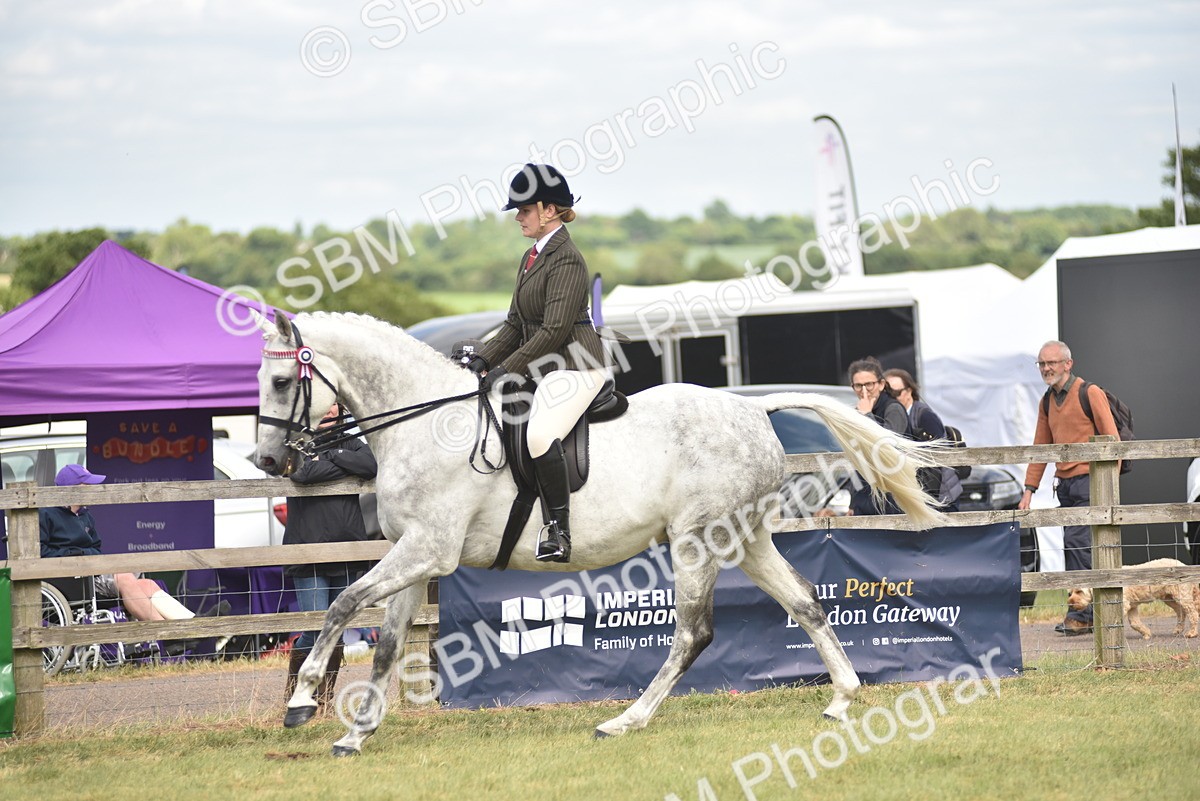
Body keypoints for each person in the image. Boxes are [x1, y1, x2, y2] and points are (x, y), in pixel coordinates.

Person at [464, 163, 609, 564]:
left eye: (524, 210)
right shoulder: (531, 256)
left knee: (541, 435)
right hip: (543, 366)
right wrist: (482, 360)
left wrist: (504, 371)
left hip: (577, 364)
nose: (517, 217)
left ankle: (559, 533)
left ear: (549, 211)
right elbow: (515, 324)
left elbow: (553, 331)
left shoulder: (567, 259)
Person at [39, 464, 228, 637]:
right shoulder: (46, 514)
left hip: (91, 573)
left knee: (148, 585)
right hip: (69, 580)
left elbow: (95, 548)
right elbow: (41, 553)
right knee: (125, 577)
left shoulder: (85, 516)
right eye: (87, 485)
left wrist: (89, 558)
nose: (93, 489)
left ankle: (193, 625)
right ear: (73, 489)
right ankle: (168, 634)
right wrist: (78, 557)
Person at [1017, 340, 1120, 636]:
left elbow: (1112, 439)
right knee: (1075, 547)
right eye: (1042, 364)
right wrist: (1028, 490)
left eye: (1052, 362)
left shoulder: (1090, 393)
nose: (1046, 368)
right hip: (1065, 485)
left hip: (1093, 481)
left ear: (1068, 364)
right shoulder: (1047, 401)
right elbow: (1041, 447)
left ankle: (1084, 614)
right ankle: (1088, 612)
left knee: (1079, 543)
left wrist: (1109, 481)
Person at [282, 402, 378, 706]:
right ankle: (297, 692)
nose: (328, 411)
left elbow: (371, 465)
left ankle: (322, 699)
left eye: (333, 405)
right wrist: (342, 463)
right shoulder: (297, 441)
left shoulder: (350, 440)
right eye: (321, 406)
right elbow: (304, 473)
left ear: (340, 409)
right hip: (308, 550)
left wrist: (332, 455)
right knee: (317, 628)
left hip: (348, 548)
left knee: (336, 630)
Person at [884, 368, 962, 512]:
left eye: (895, 393)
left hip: (940, 494)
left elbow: (939, 457)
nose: (892, 398)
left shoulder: (924, 415)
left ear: (909, 391)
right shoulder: (894, 416)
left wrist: (928, 500)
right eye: (887, 394)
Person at [845, 356, 910, 516]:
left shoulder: (893, 408)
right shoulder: (856, 413)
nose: (864, 391)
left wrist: (867, 414)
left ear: (881, 384)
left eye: (869, 384)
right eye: (858, 386)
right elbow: (857, 460)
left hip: (893, 496)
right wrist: (853, 502)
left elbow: (887, 447)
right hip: (865, 495)